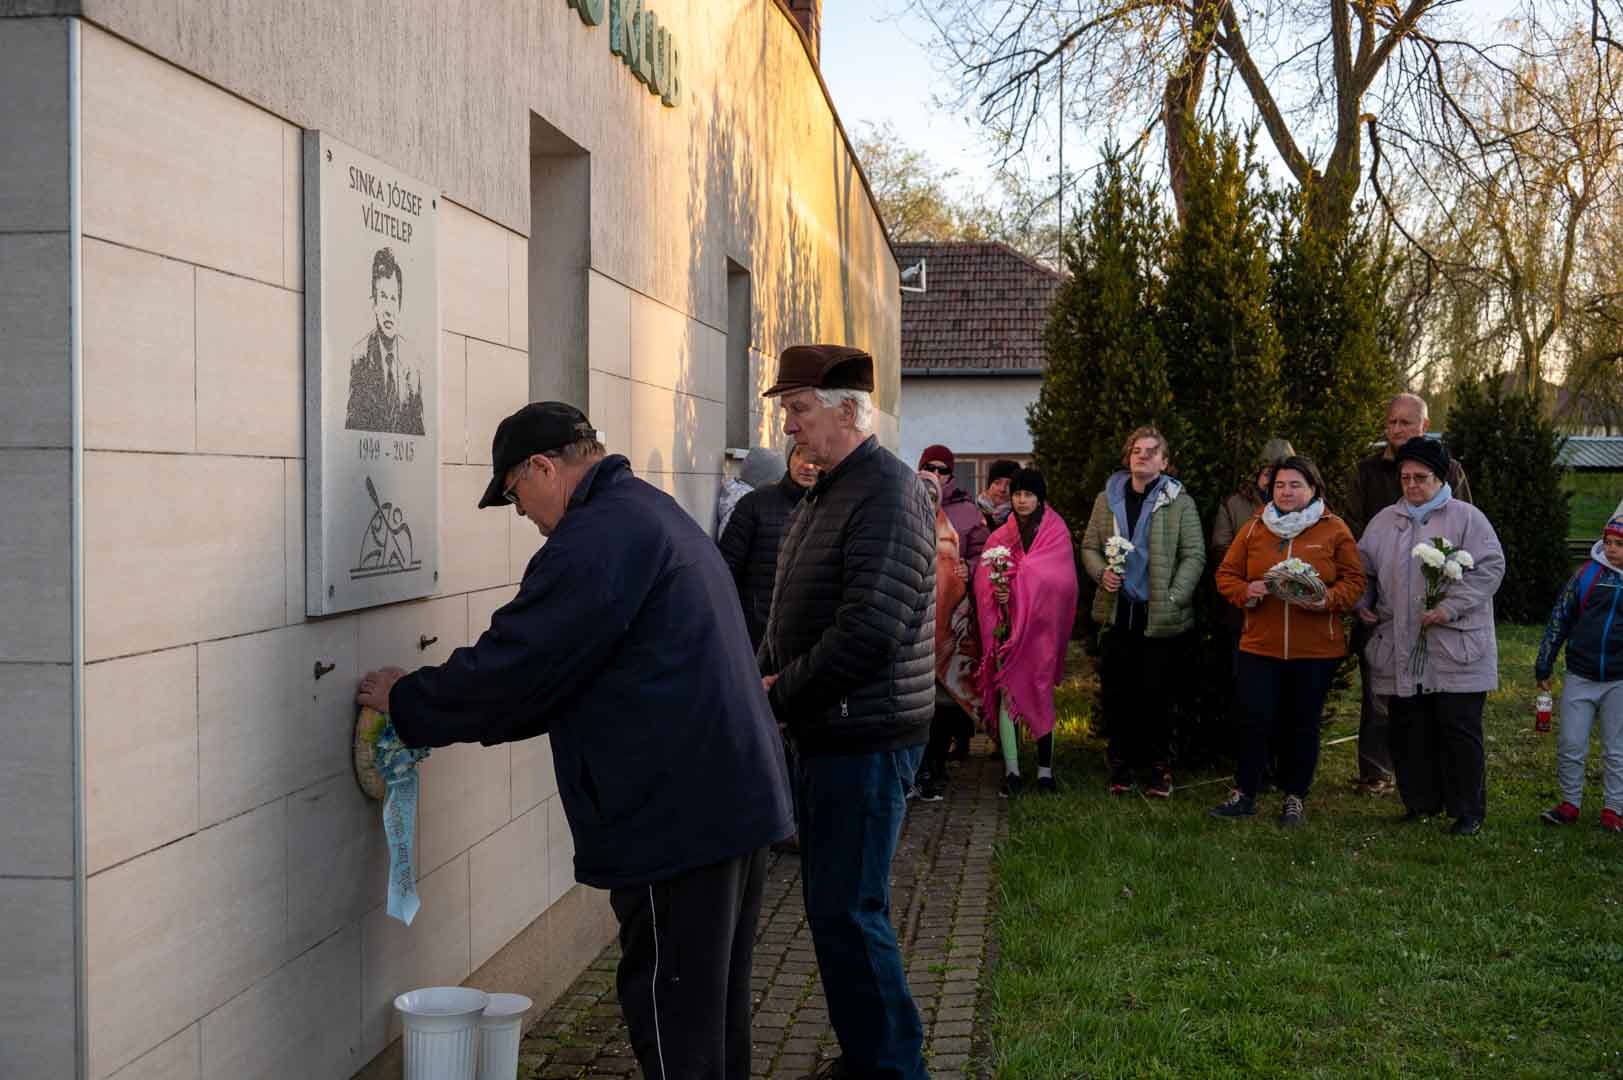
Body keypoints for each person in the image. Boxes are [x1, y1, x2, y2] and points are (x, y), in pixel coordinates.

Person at [355, 401, 792, 1080]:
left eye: (514, 494)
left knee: (675, 1018)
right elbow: (558, 677)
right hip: (728, 797)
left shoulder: (597, 537)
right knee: (712, 1017)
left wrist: (409, 701)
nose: (522, 514)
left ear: (542, 467)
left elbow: (521, 665)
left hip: (678, 816)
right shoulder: (643, 511)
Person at [758, 344, 933, 1080]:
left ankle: (892, 1068)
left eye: (798, 409)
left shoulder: (886, 492)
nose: (788, 426)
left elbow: (870, 628)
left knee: (851, 912)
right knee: (836, 911)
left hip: (865, 735)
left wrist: (780, 692)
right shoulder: (834, 489)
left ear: (848, 411)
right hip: (835, 730)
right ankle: (870, 1058)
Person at [1355, 437, 1504, 836]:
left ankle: (1467, 810)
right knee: (1408, 728)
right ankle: (1420, 803)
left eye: (1420, 477)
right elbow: (1362, 570)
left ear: (1440, 479)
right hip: (1401, 644)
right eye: (1405, 477)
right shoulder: (1384, 521)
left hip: (1454, 642)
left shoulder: (1467, 518)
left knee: (1458, 728)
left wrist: (1449, 607)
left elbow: (1490, 568)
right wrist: (1363, 601)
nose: (1411, 484)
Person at [1210, 456, 1366, 829]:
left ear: (1313, 488)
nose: (1286, 492)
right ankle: (1245, 793)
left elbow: (1355, 581)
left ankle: (1295, 796)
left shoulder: (1334, 528)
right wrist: (1247, 590)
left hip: (1315, 649)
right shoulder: (1255, 527)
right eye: (1280, 485)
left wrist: (1326, 599)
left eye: (1295, 485)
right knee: (1253, 720)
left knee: (1302, 724)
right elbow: (1226, 574)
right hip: (1259, 645)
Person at [1345, 393, 1474, 796]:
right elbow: (1353, 535)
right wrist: (1363, 594)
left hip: (1433, 596)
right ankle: (1375, 772)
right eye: (1392, 422)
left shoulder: (1450, 468)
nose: (1397, 429)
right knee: (1379, 689)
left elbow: (1464, 532)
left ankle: (1428, 771)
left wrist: (1447, 594)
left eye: (1406, 422)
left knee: (1434, 689)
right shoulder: (1368, 472)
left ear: (1424, 425)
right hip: (1382, 597)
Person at [1080, 426, 1205, 798]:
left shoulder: (1179, 502)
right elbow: (1089, 546)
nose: (1143, 456)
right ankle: (1121, 764)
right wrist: (1101, 573)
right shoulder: (1108, 499)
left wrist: (1174, 596)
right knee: (1119, 693)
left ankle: (1159, 768)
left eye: (1152, 451)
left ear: (1164, 462)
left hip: (1159, 615)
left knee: (1159, 694)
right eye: (1137, 450)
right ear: (1128, 457)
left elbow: (1194, 555)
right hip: (1119, 612)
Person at [973, 468, 1079, 796]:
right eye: (1017, 494)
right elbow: (983, 578)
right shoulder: (1001, 535)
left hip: (1041, 629)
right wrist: (999, 593)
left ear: (1040, 498)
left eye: (1028, 494)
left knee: (1041, 691)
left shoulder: (1056, 532)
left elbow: (1062, 581)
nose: (1021, 500)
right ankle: (1013, 771)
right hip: (1008, 630)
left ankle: (1046, 772)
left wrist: (1018, 586)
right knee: (1009, 693)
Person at [1211, 438, 1296, 788]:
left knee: (1287, 696)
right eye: (1269, 472)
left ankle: (1282, 766)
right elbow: (1220, 548)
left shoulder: (1302, 504)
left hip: (1290, 614)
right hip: (1246, 612)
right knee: (1249, 695)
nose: (1275, 480)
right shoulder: (1235, 505)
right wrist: (1253, 576)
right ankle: (1253, 767)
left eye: (1282, 473)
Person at [1536, 516, 1623, 833]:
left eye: (1619, 544)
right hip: (1580, 674)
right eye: (1608, 542)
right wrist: (1544, 663)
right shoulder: (1586, 575)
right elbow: (1560, 617)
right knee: (1571, 742)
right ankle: (1569, 803)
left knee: (1617, 748)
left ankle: (1614, 810)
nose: (1611, 549)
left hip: (1619, 680)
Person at [914, 469, 981, 802]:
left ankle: (936, 764)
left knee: (941, 705)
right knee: (916, 706)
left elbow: (956, 578)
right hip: (913, 636)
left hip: (945, 632)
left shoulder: (949, 533)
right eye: (921, 493)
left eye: (932, 495)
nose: (927, 500)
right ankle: (920, 768)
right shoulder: (903, 526)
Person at [719, 443, 817, 650]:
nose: (808, 465)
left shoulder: (836, 507)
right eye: (800, 454)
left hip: (811, 639)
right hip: (756, 633)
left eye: (814, 457)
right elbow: (726, 569)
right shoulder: (754, 504)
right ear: (789, 458)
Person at [345, 246, 425, 434]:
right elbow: (353, 428)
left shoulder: (412, 362)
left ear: (400, 306)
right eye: (383, 297)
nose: (389, 309)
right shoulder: (360, 357)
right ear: (374, 303)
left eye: (393, 298)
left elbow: (418, 429)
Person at [918, 444, 989, 566]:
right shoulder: (905, 501)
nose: (936, 473)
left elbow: (983, 552)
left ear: (950, 474)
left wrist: (969, 566)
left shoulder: (968, 511)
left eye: (943, 470)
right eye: (930, 468)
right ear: (921, 469)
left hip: (950, 576)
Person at [716, 446, 785, 539]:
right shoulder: (744, 507)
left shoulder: (751, 502)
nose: (779, 487)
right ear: (763, 479)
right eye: (776, 481)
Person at [977, 458, 1022, 530]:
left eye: (1009, 484)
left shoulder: (1022, 517)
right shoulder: (973, 512)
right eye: (997, 483)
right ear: (989, 485)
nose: (1002, 489)